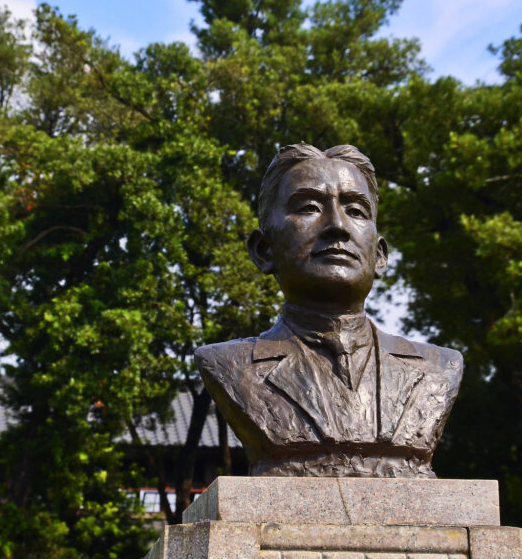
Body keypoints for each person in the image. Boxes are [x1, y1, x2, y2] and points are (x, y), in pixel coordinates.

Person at [195, 144, 462, 477]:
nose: (337, 225)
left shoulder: (439, 368)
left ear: (379, 255)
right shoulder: (228, 364)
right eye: (308, 207)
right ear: (264, 250)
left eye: (356, 210)